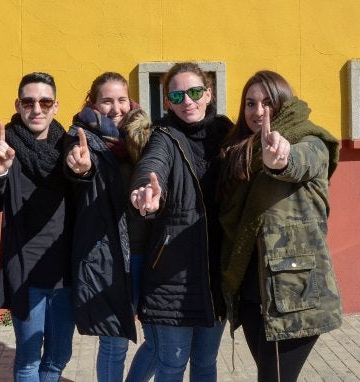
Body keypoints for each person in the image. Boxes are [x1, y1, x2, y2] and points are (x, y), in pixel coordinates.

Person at [217, 70, 342, 381]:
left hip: (292, 296)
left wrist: (282, 160)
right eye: (250, 103)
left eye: (267, 103)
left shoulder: (311, 140)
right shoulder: (241, 151)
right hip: (250, 294)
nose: (258, 112)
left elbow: (302, 161)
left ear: (283, 104)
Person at [129, 62, 232, 381]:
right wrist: (146, 192)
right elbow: (153, 165)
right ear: (167, 102)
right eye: (177, 95)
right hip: (173, 277)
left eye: (195, 92)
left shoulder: (228, 134)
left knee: (205, 362)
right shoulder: (163, 135)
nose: (188, 101)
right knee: (172, 364)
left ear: (209, 93)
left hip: (216, 273)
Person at [0, 72, 75, 382]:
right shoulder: (5, 147)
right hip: (24, 270)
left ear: (56, 105)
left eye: (45, 101)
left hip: (65, 269)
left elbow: (86, 194)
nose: (37, 108)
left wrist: (85, 172)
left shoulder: (69, 147)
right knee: (29, 359)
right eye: (29, 102)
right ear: (18, 105)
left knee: (60, 354)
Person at [64, 72, 156, 382]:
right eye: (107, 100)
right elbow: (75, 172)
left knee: (158, 341)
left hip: (151, 252)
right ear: (92, 103)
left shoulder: (146, 136)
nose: (116, 108)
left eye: (121, 99)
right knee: (114, 343)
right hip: (109, 256)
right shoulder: (80, 137)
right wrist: (82, 171)